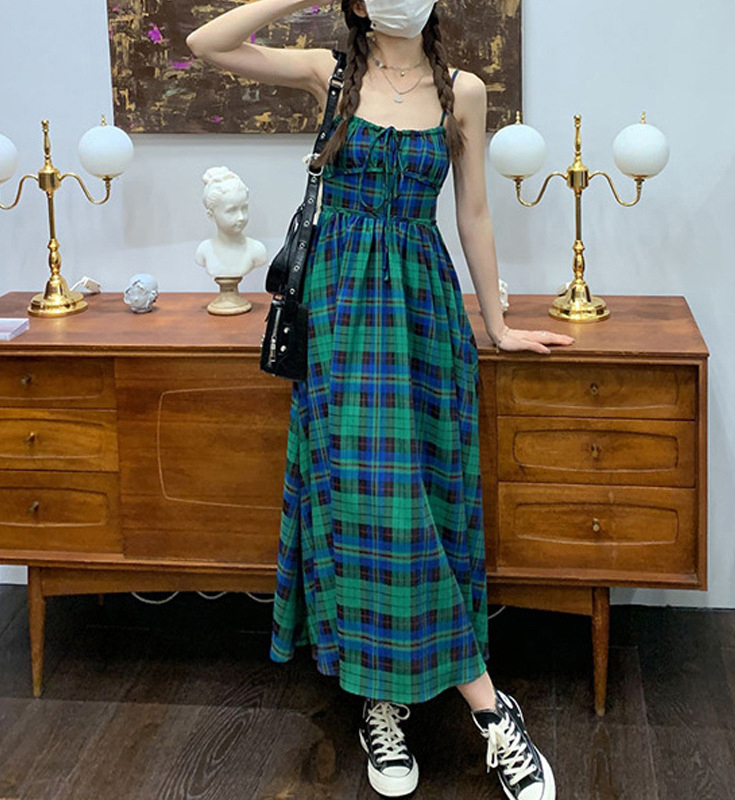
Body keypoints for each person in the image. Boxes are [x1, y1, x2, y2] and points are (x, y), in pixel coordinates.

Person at [187, 2, 573, 798]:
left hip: (424, 307)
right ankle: (479, 709)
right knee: (369, 504)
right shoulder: (329, 74)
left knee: (428, 500)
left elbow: (473, 212)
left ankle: (388, 700)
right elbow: (207, 43)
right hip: (341, 311)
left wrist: (497, 325)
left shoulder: (463, 90)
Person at [195, 166, 268, 279]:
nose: (241, 217)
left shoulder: (258, 251)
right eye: (231, 211)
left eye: (244, 208)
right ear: (211, 215)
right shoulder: (204, 251)